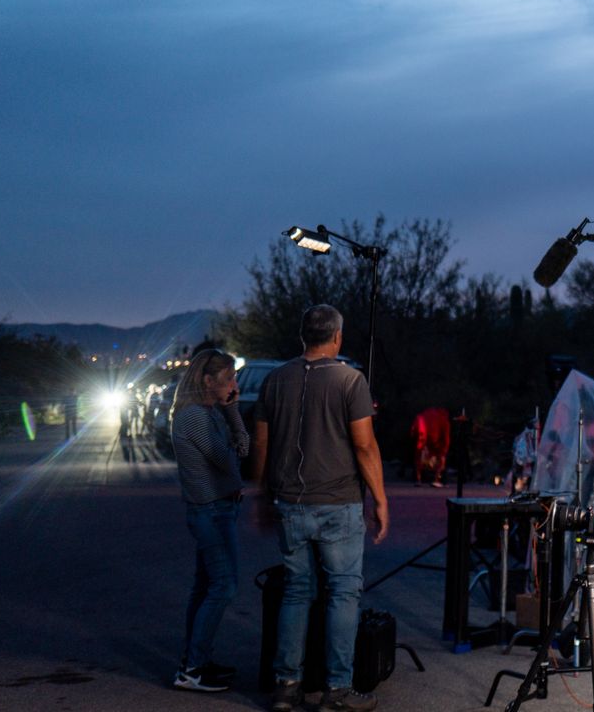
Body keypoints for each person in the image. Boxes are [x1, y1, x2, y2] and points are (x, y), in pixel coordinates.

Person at [249, 305, 389, 712]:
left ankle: (286, 686)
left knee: (296, 591)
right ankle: (337, 691)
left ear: (302, 336)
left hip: (290, 503)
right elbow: (364, 445)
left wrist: (261, 493)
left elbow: (261, 444)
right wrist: (379, 498)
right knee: (343, 592)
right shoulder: (350, 381)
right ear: (337, 337)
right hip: (338, 504)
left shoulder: (275, 380)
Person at [171, 348, 245, 693]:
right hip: (210, 511)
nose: (234, 383)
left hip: (219, 508)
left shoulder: (208, 412)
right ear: (207, 380)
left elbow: (240, 447)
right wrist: (233, 423)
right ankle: (193, 668)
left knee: (205, 588)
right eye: (228, 377)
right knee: (223, 586)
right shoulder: (194, 418)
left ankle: (196, 660)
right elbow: (229, 460)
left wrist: (231, 413)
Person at [411, 405, 451, 486]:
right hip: (431, 441)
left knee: (419, 456)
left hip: (424, 438)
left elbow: (414, 431)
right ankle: (436, 479)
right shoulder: (443, 419)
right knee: (441, 458)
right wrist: (444, 450)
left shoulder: (423, 416)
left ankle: (418, 479)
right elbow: (446, 438)